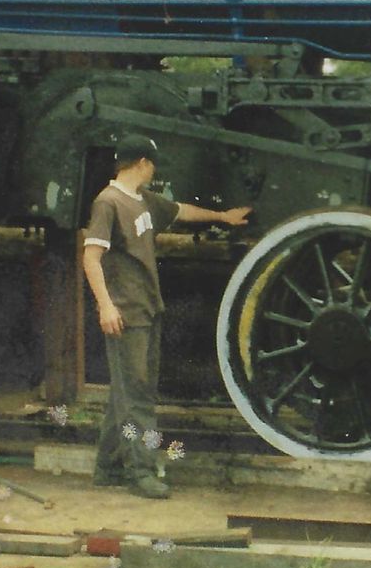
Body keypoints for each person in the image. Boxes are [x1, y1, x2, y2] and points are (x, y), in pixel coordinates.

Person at [82, 134, 251, 499]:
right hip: (126, 312)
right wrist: (106, 305)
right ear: (142, 163)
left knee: (125, 393)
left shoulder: (142, 200)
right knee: (138, 396)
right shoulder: (108, 203)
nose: (155, 171)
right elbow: (91, 257)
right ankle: (141, 472)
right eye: (153, 164)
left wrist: (222, 216)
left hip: (147, 307)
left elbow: (181, 210)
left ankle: (107, 467)